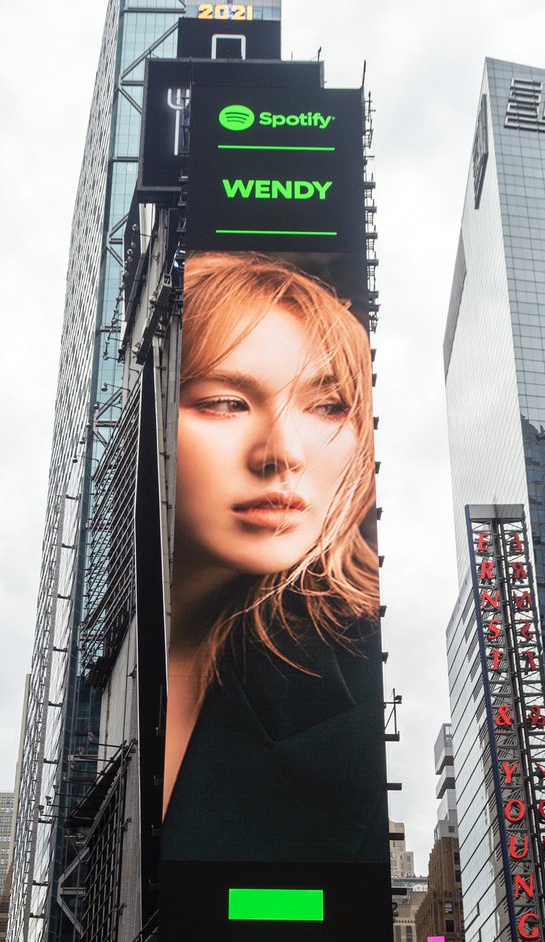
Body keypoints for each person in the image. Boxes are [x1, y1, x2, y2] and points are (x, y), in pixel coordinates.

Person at [161, 250, 389, 862]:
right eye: (226, 402)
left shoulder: (348, 710)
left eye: (328, 406)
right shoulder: (98, 684)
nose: (283, 453)